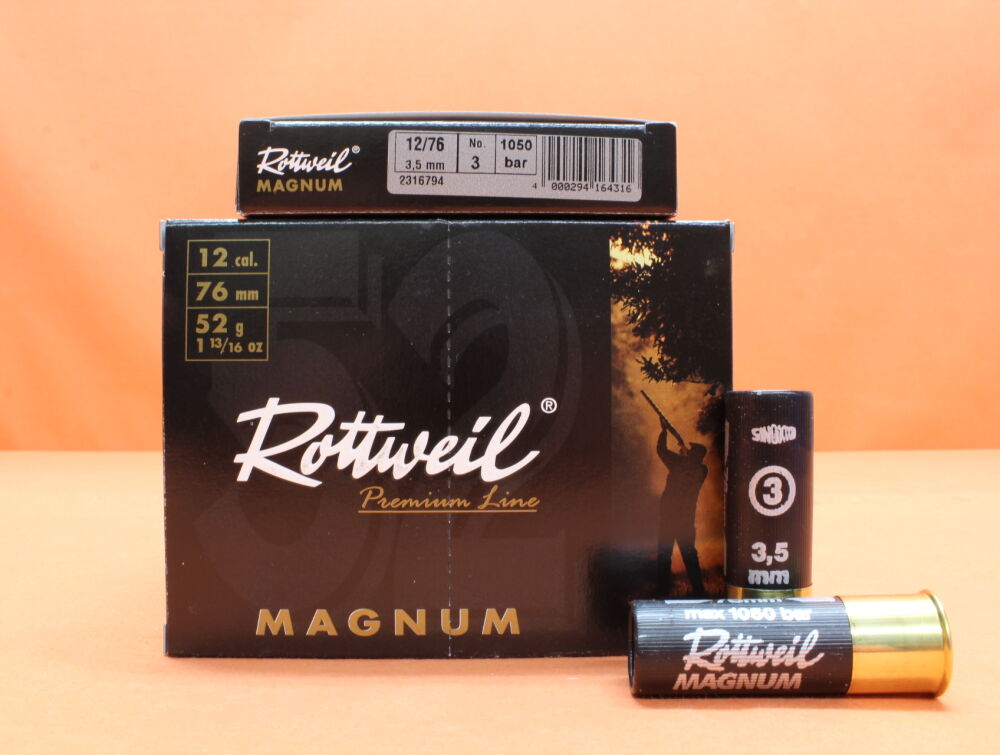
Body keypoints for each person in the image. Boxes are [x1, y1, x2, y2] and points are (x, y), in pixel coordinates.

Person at [655, 418, 707, 596]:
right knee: (683, 555)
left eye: (690, 451)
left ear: (695, 456)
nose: (686, 451)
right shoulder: (697, 469)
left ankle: (665, 590)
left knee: (667, 555)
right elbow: (663, 452)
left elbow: (661, 451)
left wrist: (664, 432)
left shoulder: (695, 468)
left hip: (673, 519)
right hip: (681, 520)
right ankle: (696, 590)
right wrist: (665, 432)